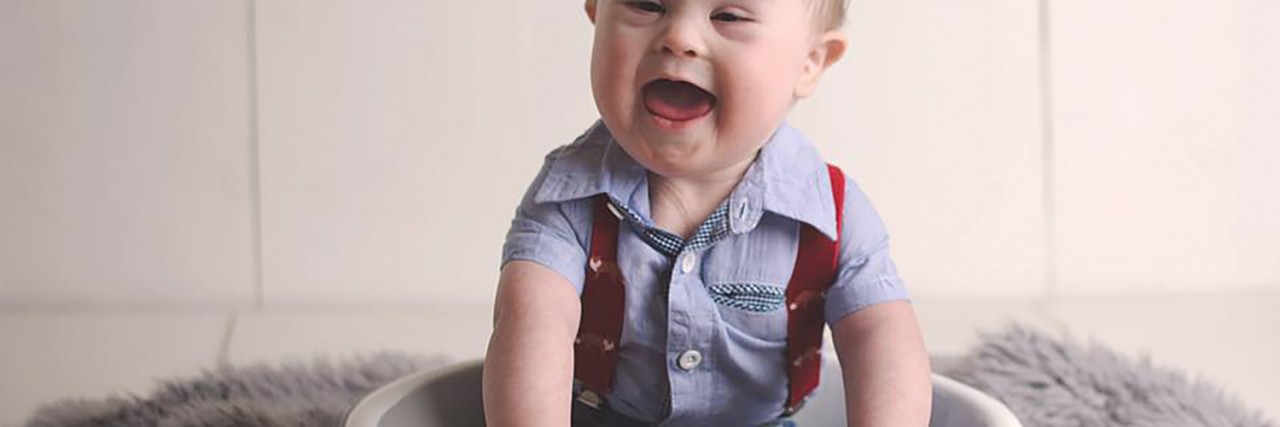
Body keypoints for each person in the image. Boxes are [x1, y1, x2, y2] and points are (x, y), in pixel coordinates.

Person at [483, 0, 932, 425]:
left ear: (810, 61)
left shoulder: (831, 213)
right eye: (647, 4)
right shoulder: (568, 199)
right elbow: (531, 326)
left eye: (729, 16)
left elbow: (881, 339)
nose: (679, 37)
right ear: (597, 13)